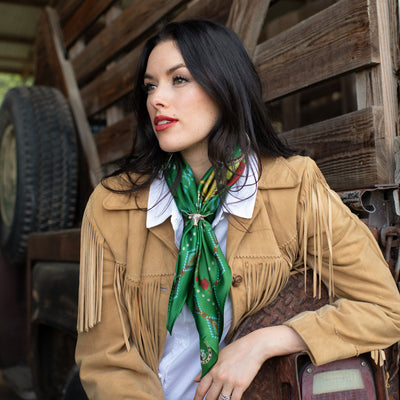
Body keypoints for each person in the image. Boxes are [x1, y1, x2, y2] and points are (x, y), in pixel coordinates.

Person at [75, 19, 400, 400]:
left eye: (179, 79)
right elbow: (105, 359)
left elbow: (384, 308)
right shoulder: (113, 206)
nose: (156, 99)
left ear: (224, 85)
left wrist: (267, 341)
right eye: (150, 85)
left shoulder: (294, 187)